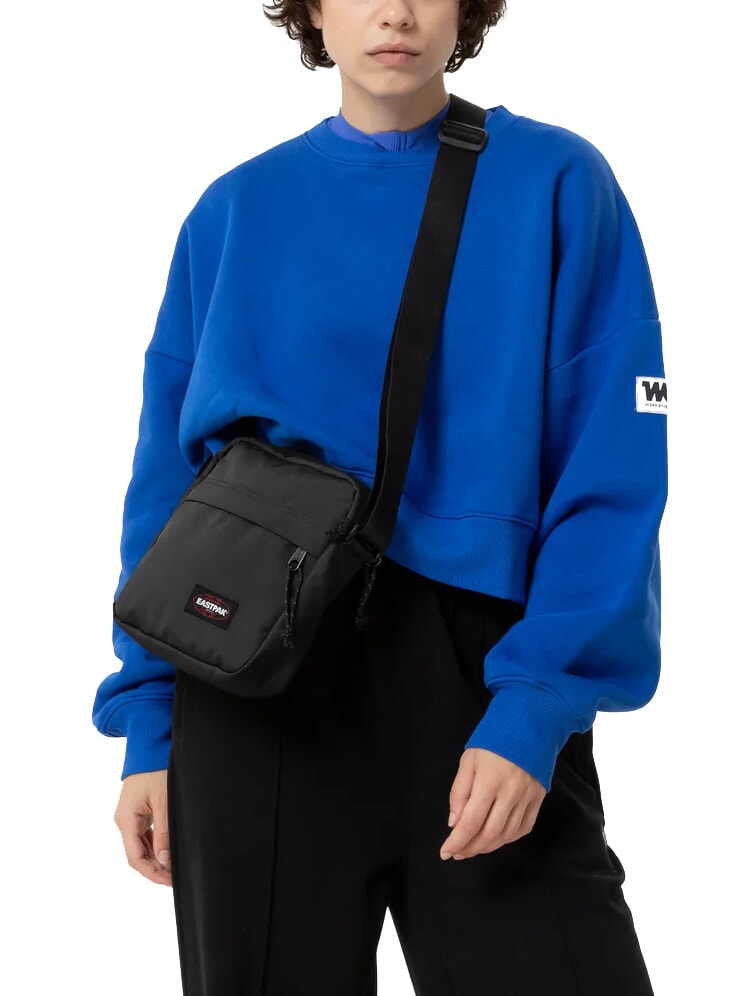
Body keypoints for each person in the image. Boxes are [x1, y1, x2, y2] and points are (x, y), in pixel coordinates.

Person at [92, 0, 667, 992]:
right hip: (255, 681)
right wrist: (151, 723)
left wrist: (536, 705)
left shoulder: (557, 183)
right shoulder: (234, 210)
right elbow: (169, 492)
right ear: (314, 9)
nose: (394, 10)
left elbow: (610, 466)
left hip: (480, 671)